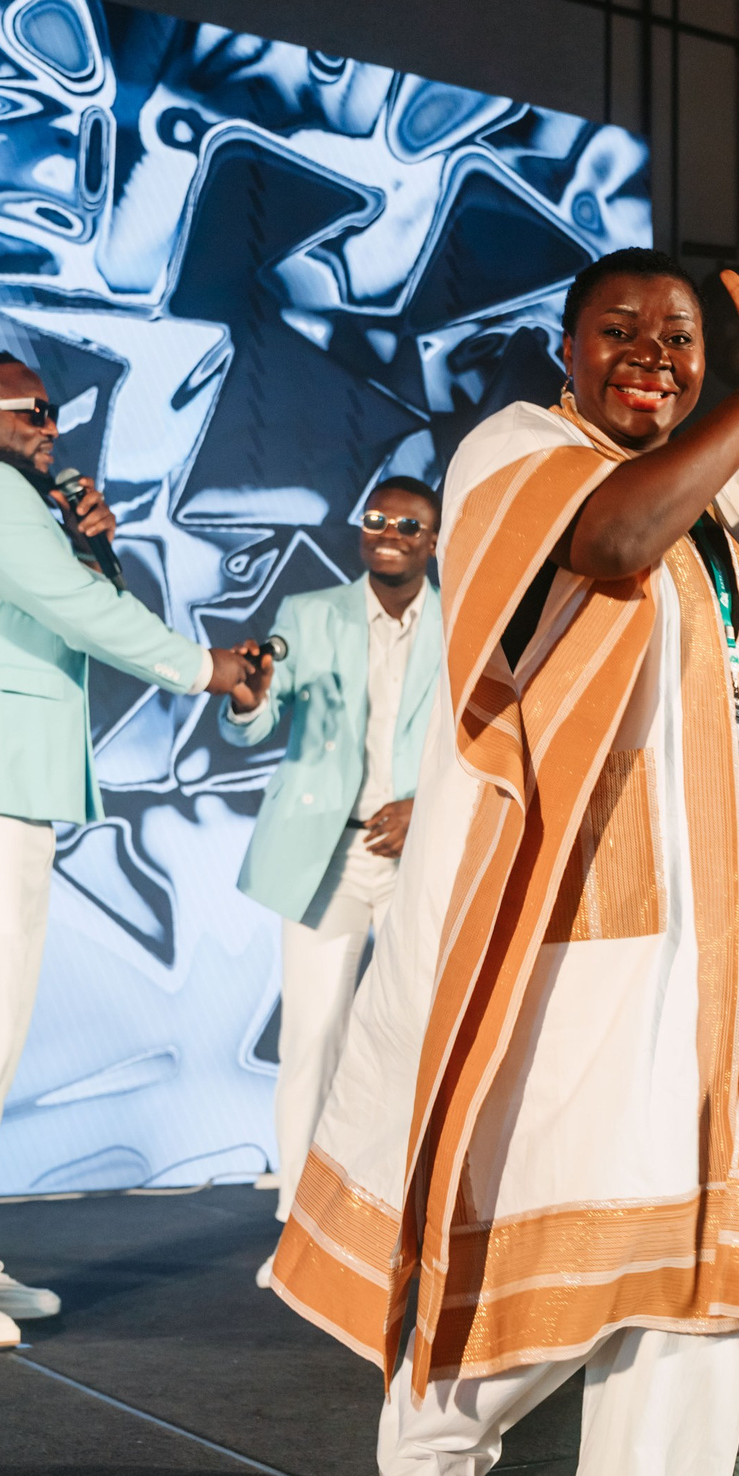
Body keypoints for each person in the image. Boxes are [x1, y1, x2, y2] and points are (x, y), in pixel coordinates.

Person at [270, 203, 739, 1476]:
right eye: (619, 332)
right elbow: (612, 541)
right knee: (570, 1232)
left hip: (735, 932)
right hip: (579, 929)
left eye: (678, 340)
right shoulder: (517, 451)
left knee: (716, 1279)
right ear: (564, 349)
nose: (649, 356)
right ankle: (439, 1410)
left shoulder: (737, 493)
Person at [0, 350, 265, 1351]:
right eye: (33, 410)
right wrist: (209, 668)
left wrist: (88, 547)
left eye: (53, 410)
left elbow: (63, 608)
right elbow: (82, 616)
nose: (53, 425)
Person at [222, 478, 443, 1286]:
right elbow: (257, 714)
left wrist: (428, 805)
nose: (389, 533)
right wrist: (248, 698)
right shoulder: (310, 614)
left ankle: (401, 1226)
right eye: (377, 519)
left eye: (408, 524)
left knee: (415, 1037)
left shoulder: (462, 623)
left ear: (432, 539)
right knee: (311, 1038)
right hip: (328, 855)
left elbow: (481, 736)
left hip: (421, 855)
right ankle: (298, 1229)